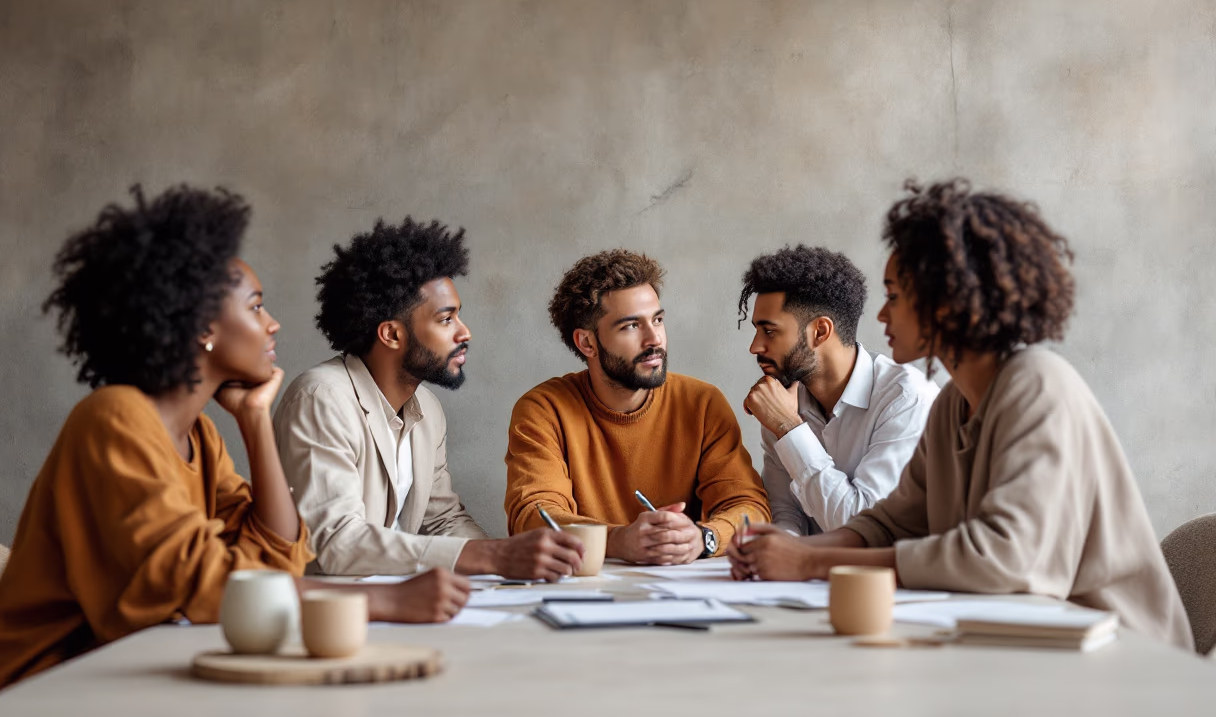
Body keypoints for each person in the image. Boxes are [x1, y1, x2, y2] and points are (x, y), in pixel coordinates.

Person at [0, 186, 469, 690]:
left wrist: (254, 419)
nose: (273, 324)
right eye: (256, 307)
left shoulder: (199, 433)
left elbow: (276, 560)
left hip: (132, 678)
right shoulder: (114, 419)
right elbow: (207, 588)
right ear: (203, 325)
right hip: (47, 691)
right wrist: (386, 601)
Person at [729, 179, 1192, 649]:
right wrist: (789, 551)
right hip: (1022, 643)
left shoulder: (1037, 384)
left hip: (1117, 653)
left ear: (945, 302)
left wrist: (808, 562)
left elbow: (1004, 558)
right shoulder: (952, 404)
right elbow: (888, 524)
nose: (882, 315)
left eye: (894, 296)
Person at [275, 218, 584, 580]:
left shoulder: (428, 410)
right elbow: (337, 542)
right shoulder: (321, 398)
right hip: (324, 614)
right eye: (446, 319)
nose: (464, 331)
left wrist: (514, 570)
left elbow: (442, 520)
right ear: (392, 334)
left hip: (395, 605)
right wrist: (493, 556)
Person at [505, 249, 770, 563]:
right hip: (585, 594)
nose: (654, 339)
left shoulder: (702, 403)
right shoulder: (543, 410)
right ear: (586, 343)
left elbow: (750, 508)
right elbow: (534, 518)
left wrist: (704, 537)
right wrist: (618, 540)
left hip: (684, 595)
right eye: (631, 326)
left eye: (657, 320)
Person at [739, 244, 937, 534]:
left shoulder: (906, 400)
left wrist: (788, 428)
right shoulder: (782, 397)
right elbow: (785, 514)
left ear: (820, 331)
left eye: (770, 331)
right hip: (811, 573)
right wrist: (773, 552)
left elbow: (864, 529)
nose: (755, 346)